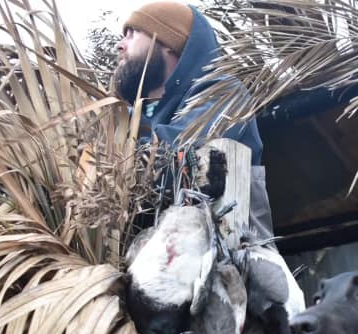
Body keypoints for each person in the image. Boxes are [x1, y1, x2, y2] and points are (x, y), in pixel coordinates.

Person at [115, 0, 274, 240]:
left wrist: (115, 124)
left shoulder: (224, 94)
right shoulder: (141, 117)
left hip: (233, 256)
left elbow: (172, 164)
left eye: (133, 34)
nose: (120, 45)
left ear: (169, 44)